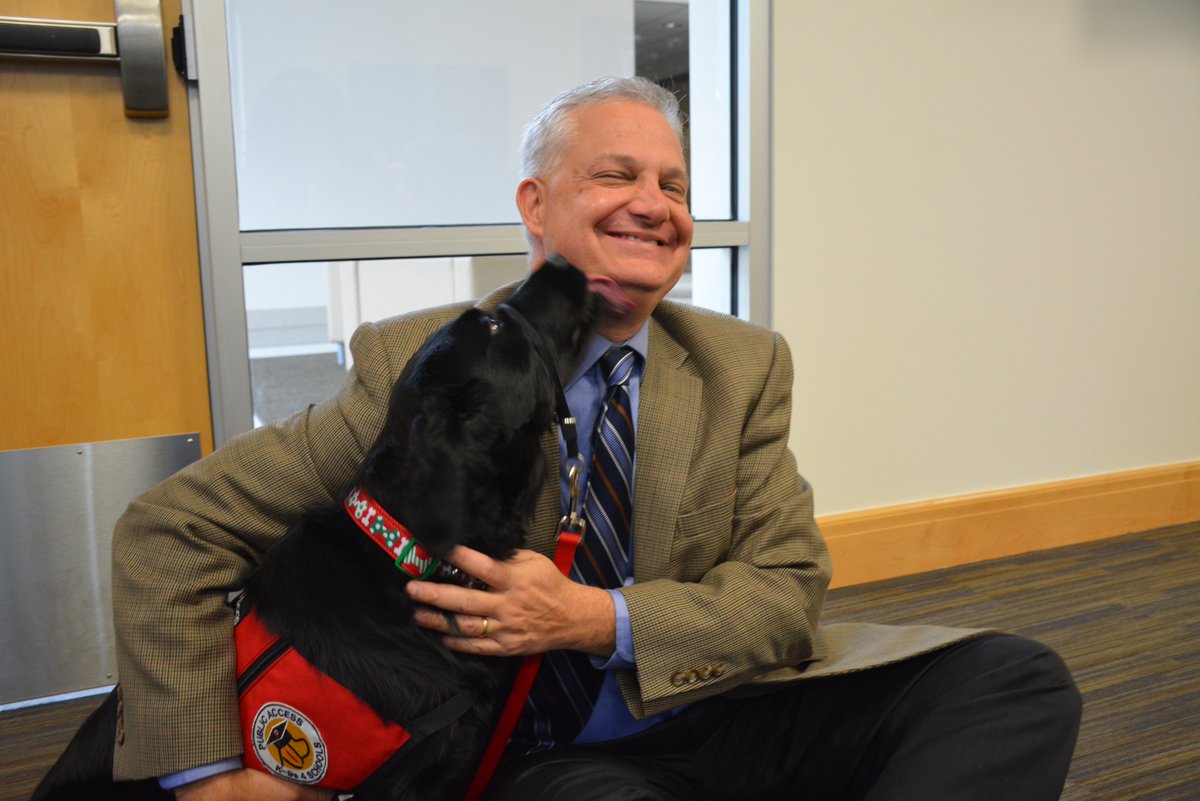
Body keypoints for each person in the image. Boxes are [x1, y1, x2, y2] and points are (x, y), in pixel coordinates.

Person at [111, 77, 1081, 801]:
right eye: (616, 174)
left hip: (721, 706)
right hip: (547, 758)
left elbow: (787, 594)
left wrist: (594, 621)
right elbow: (170, 531)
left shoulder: (740, 366)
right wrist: (203, 777)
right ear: (535, 207)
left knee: (1016, 680)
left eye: (672, 183)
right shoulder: (424, 365)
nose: (653, 203)